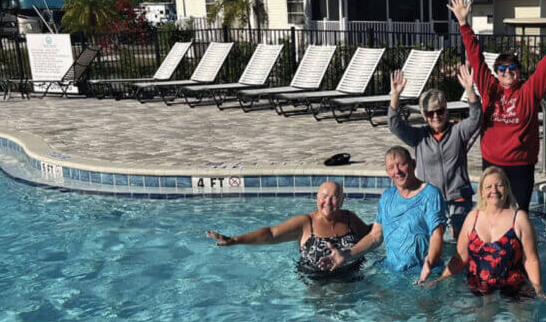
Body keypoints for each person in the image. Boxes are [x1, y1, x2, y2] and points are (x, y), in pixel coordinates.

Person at [447, 0, 546, 211]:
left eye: (512, 68)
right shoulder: (489, 87)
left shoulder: (529, 91)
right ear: (496, 72)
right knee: (491, 214)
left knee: (519, 215)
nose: (507, 72)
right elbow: (475, 57)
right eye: (502, 68)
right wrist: (463, 23)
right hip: (492, 163)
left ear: (519, 72)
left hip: (521, 165)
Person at [322, 146, 446, 284]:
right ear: (387, 172)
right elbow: (375, 237)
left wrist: (429, 262)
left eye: (402, 164)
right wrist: (346, 255)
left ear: (413, 164)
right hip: (391, 272)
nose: (397, 171)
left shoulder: (430, 194)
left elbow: (437, 235)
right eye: (391, 167)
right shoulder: (387, 196)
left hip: (423, 274)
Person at [388, 63, 481, 241]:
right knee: (431, 242)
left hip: (458, 199)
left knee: (459, 241)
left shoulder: (458, 132)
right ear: (424, 115)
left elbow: (476, 118)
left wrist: (470, 91)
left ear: (446, 111)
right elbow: (394, 125)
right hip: (429, 199)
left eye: (440, 111)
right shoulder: (418, 137)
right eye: (430, 113)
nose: (436, 116)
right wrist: (395, 96)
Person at [425, 166, 546, 299]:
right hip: (478, 288)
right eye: (488, 187)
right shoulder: (472, 218)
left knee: (521, 313)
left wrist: (538, 288)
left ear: (507, 189)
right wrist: (441, 279)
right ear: (482, 192)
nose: (494, 190)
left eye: (499, 185)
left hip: (514, 288)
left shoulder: (519, 218)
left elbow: (531, 259)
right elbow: (460, 258)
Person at [205, 181, 370, 277]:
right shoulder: (305, 223)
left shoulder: (350, 219)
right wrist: (236, 240)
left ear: (342, 200)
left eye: (334, 197)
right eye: (324, 197)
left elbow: (372, 236)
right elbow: (271, 234)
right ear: (317, 198)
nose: (328, 202)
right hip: (318, 282)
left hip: (353, 278)